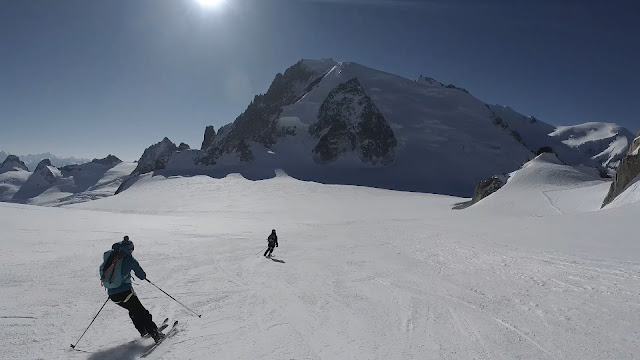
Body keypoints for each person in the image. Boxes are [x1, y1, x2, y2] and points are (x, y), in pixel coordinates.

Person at [99, 236, 164, 343]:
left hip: (112, 295)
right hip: (125, 293)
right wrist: (143, 277)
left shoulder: (111, 257)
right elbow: (141, 275)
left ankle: (144, 331)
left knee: (134, 310)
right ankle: (155, 334)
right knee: (142, 312)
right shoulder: (129, 260)